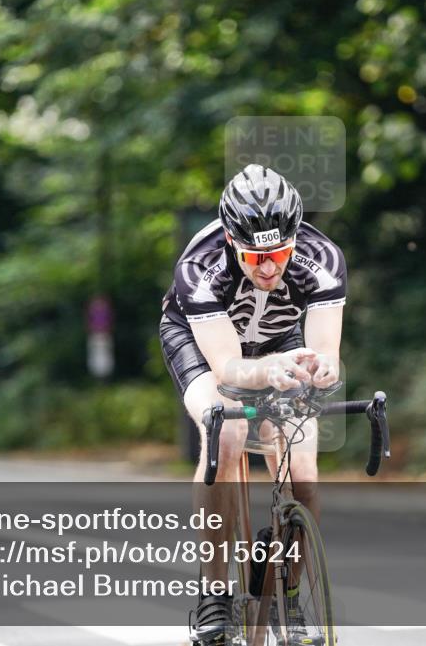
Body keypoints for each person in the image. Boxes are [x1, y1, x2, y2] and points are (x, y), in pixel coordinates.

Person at [160, 164, 346, 645]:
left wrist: (322, 368)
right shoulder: (199, 271)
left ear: (295, 238)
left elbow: (328, 352)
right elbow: (228, 368)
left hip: (278, 338)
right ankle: (215, 592)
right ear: (229, 239)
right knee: (226, 432)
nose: (268, 267)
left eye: (279, 253)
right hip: (202, 342)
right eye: (255, 256)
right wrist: (270, 369)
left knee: (303, 468)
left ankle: (288, 598)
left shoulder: (321, 259)